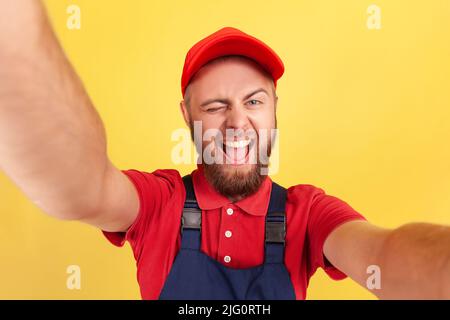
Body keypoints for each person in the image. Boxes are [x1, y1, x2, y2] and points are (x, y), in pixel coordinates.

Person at [0, 0, 449, 300]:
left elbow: (384, 255)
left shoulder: (306, 213)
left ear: (275, 110)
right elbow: (80, 189)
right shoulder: (161, 204)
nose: (237, 122)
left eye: (254, 102)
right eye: (216, 106)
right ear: (185, 114)